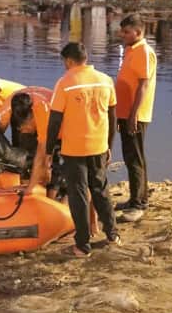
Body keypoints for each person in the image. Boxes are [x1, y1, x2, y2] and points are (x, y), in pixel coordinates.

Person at [45, 42, 120, 257]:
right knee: (100, 189)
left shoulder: (65, 83)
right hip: (99, 145)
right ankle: (113, 235)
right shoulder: (106, 81)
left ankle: (82, 245)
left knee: (78, 194)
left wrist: (49, 150)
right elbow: (112, 116)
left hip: (74, 148)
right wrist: (109, 146)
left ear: (68, 61)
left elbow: (55, 120)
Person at [114, 15, 157, 222]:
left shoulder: (143, 51)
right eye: (122, 31)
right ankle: (135, 198)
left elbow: (143, 85)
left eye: (126, 32)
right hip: (125, 112)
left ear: (138, 32)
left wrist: (133, 115)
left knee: (135, 158)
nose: (122, 35)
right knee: (130, 157)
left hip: (135, 114)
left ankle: (139, 204)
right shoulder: (132, 50)